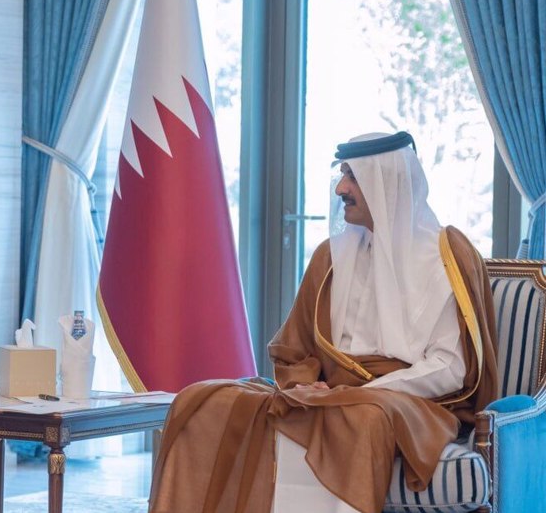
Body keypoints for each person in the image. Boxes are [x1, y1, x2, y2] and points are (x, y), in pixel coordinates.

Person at [148, 132, 499, 513]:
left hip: (408, 402)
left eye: (353, 177)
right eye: (342, 175)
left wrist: (364, 391)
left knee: (360, 417)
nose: (341, 188)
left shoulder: (445, 255)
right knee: (206, 400)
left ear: (386, 183)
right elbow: (293, 349)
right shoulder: (331, 257)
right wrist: (306, 385)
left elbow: (451, 368)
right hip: (325, 394)